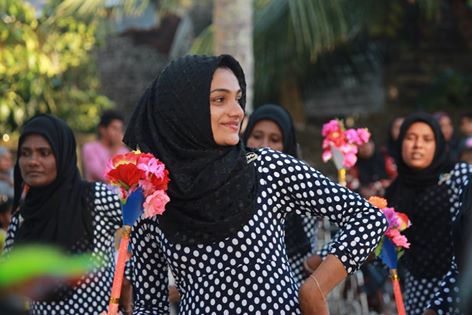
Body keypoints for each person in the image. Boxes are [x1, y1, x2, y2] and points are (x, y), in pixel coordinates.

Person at [110, 54, 388, 314]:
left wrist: (314, 288)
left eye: (238, 99)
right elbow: (150, 306)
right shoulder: (153, 198)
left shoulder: (266, 168)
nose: (237, 111)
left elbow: (369, 219)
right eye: (220, 99)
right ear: (182, 109)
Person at [3, 114, 123, 315]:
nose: (32, 161)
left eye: (44, 153)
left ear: (63, 155)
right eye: (25, 153)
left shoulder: (94, 198)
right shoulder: (24, 216)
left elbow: (141, 230)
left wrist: (125, 281)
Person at [385, 113, 472, 315]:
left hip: (458, 285)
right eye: (410, 138)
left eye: (427, 139)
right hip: (416, 288)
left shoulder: (457, 176)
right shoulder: (395, 190)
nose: (417, 145)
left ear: (438, 144)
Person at [242, 103, 318, 286]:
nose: (265, 147)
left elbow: (352, 217)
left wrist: (317, 260)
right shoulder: (229, 182)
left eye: (275, 139)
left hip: (293, 289)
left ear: (287, 145)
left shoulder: (302, 185)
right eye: (257, 136)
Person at [82, 110, 129, 182]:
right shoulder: (90, 148)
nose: (118, 133)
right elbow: (101, 175)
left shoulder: (124, 151)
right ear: (102, 129)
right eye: (114, 128)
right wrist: (115, 148)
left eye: (120, 129)